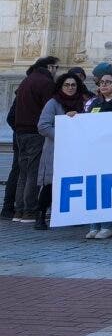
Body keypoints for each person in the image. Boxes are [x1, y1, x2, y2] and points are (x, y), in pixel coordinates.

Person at [75, 71, 112, 239]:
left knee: (110, 187)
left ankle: (108, 225)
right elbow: (84, 122)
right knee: (93, 187)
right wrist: (73, 118)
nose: (104, 85)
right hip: (95, 152)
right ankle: (94, 224)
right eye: (101, 82)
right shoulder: (92, 103)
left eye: (108, 82)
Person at [34, 73, 88, 231]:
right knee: (50, 184)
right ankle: (41, 215)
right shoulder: (53, 103)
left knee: (75, 182)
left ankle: (74, 215)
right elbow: (43, 126)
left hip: (77, 151)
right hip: (56, 150)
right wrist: (64, 134)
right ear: (60, 86)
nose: (70, 88)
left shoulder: (84, 103)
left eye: (73, 85)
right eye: (67, 85)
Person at [9, 56, 58, 224]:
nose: (56, 71)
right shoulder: (45, 83)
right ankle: (30, 211)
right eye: (55, 67)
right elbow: (49, 107)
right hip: (35, 132)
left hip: (20, 132)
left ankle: (20, 210)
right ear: (49, 67)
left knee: (23, 172)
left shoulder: (27, 80)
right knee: (34, 172)